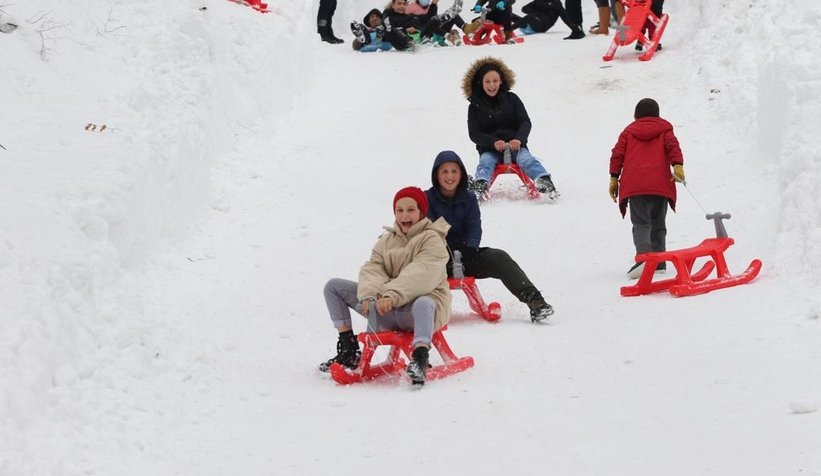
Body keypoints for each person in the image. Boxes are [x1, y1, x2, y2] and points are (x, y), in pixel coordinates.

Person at [319, 187, 452, 385]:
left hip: (418, 312)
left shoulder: (432, 239)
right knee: (334, 287)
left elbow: (420, 273)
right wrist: (369, 296)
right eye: (399, 210)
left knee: (424, 302)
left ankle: (420, 357)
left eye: (410, 210)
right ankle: (349, 349)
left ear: (421, 212)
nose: (404, 215)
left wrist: (391, 295)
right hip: (385, 307)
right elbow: (374, 268)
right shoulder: (387, 240)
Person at [425, 150, 555, 322]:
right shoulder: (426, 198)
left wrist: (470, 248)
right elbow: (424, 230)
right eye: (445, 171)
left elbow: (474, 226)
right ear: (436, 174)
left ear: (461, 174)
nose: (450, 176)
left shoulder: (469, 198)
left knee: (498, 257)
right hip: (436, 260)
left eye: (454, 171)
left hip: (465, 255)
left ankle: (535, 301)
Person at [608, 98, 685, 278]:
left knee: (641, 224)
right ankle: (659, 261)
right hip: (660, 185)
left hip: (636, 187)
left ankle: (644, 259)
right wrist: (678, 166)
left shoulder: (628, 132)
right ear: (658, 115)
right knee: (658, 224)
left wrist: (613, 177)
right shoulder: (665, 130)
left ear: (636, 116)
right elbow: (673, 147)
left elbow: (617, 155)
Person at [462, 56, 558, 199]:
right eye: (487, 81)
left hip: (516, 146)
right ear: (480, 83)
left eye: (495, 81)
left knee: (527, 160)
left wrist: (519, 139)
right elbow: (474, 133)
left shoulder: (512, 99)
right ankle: (479, 187)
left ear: (501, 81)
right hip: (490, 148)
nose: (492, 85)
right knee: (485, 163)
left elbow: (525, 122)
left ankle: (544, 181)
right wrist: (492, 142)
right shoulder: (475, 106)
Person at [513, 0, 585, 39]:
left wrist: (574, 28)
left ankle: (508, 31)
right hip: (529, 24)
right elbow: (524, 9)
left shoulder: (556, 3)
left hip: (541, 26)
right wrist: (536, 13)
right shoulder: (539, 1)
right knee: (511, 15)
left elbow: (565, 17)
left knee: (530, 17)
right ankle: (502, 32)